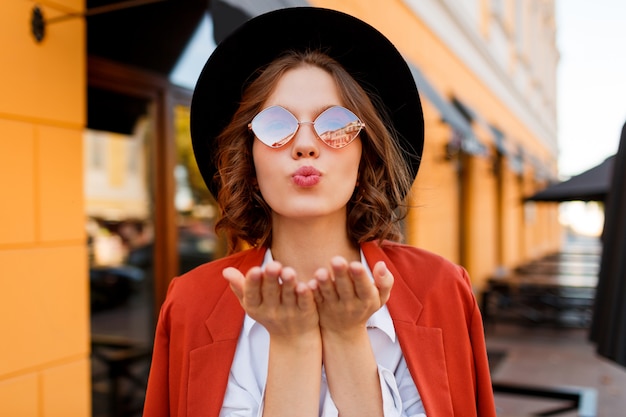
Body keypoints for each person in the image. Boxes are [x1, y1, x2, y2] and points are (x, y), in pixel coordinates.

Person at [143, 7, 496, 417]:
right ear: (250, 163)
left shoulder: (442, 289)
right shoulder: (189, 302)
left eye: (335, 124)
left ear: (365, 160)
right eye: (276, 125)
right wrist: (294, 343)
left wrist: (347, 337)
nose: (306, 145)